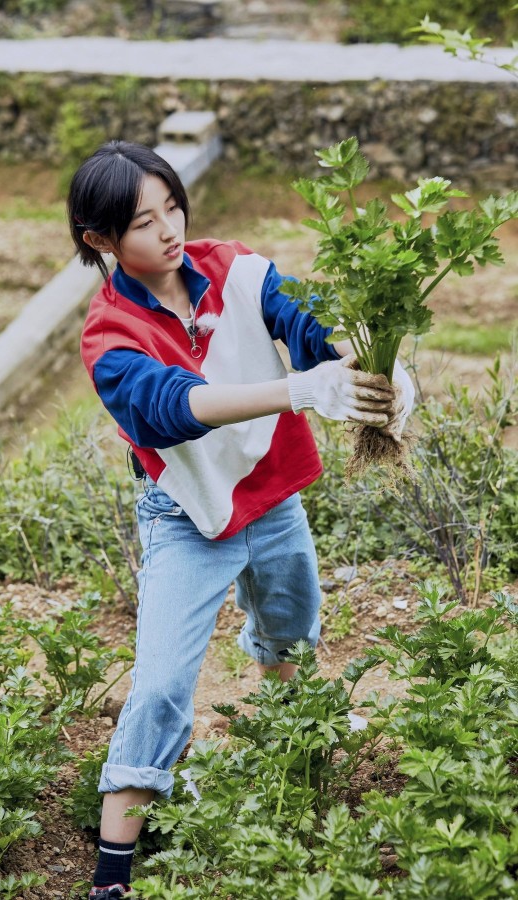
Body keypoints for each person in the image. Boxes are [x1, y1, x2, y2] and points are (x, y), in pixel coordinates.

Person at [69, 140, 414, 899]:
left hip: (274, 497)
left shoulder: (237, 270)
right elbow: (172, 408)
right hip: (187, 516)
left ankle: (291, 767)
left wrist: (371, 371)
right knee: (162, 683)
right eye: (143, 222)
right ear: (101, 239)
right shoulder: (110, 336)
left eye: (173, 207)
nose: (169, 229)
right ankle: (112, 869)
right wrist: (298, 391)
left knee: (291, 628)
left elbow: (305, 323)